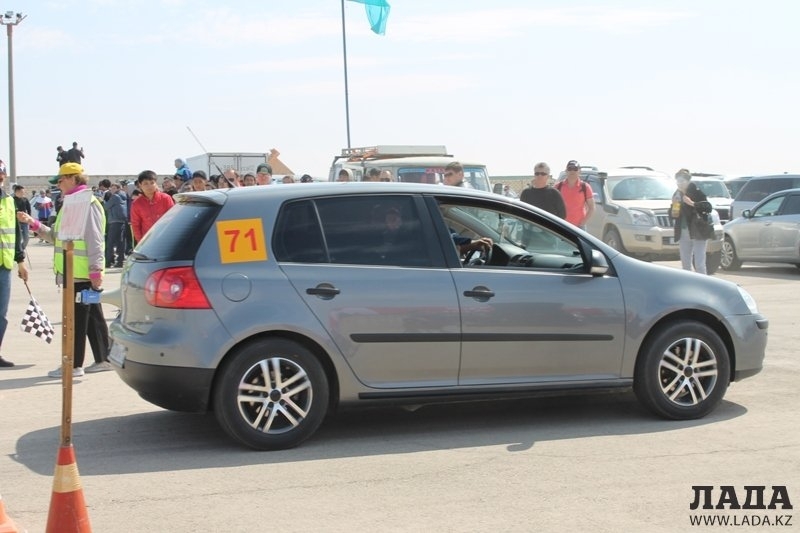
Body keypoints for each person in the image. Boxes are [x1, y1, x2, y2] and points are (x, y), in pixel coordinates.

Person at [17, 162, 111, 377]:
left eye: (60, 180)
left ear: (73, 178)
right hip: (74, 272)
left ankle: (73, 365)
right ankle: (104, 358)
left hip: (81, 273)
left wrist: (96, 270)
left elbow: (95, 239)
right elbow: (57, 237)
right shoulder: (71, 204)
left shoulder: (87, 204)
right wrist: (34, 223)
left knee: (75, 320)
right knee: (92, 317)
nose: (58, 184)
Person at [0, 170, 29, 368]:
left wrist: (20, 261)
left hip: (4, 264)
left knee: (1, 314)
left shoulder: (9, 201)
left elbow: (15, 233)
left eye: (1, 175)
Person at [671, 168, 713, 274]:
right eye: (678, 181)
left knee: (699, 264)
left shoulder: (697, 192)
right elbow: (674, 214)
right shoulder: (677, 194)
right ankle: (688, 283)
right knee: (685, 265)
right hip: (683, 231)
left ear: (688, 181)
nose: (679, 183)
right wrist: (673, 209)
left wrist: (692, 203)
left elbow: (707, 208)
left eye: (682, 181)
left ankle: (703, 283)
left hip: (698, 230)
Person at [131, 170, 175, 243]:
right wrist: (140, 241)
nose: (149, 186)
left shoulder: (165, 198)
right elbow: (135, 225)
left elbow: (173, 218)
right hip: (148, 241)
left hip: (166, 238)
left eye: (152, 183)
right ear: (140, 185)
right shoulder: (136, 203)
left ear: (156, 184)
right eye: (146, 183)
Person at [556, 160, 594, 229]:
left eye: (575, 169)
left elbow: (592, 208)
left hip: (579, 227)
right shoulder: (558, 186)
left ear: (579, 171)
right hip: (561, 226)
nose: (572, 171)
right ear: (566, 171)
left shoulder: (585, 187)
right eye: (570, 168)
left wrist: (582, 223)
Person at [103, 182, 128, 268]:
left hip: (114, 221)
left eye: (114, 188)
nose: (112, 190)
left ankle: (108, 262)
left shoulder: (115, 197)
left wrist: (102, 200)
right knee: (120, 242)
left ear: (118, 189)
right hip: (122, 221)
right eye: (111, 188)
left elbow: (106, 207)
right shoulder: (124, 196)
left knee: (110, 242)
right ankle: (120, 261)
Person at [13, 185, 31, 251]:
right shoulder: (12, 200)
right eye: (21, 192)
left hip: (24, 221)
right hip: (15, 222)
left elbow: (29, 210)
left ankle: (22, 248)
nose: (23, 193)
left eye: (23, 192)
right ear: (16, 192)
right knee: (17, 237)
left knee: (26, 237)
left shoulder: (25, 200)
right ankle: (18, 250)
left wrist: (29, 219)